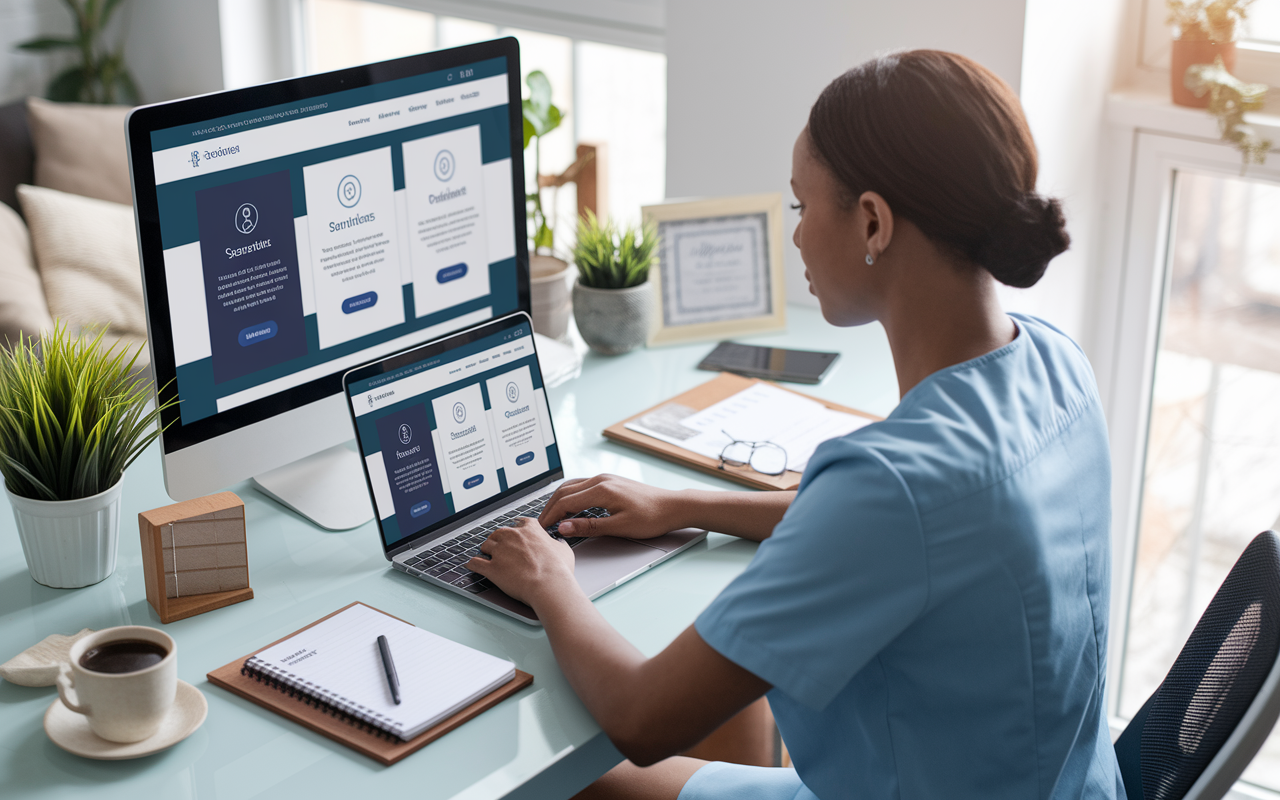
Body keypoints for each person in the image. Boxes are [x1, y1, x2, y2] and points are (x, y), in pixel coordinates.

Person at [466, 49, 1124, 800]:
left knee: (567, 782)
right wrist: (687, 505)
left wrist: (552, 584)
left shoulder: (891, 486)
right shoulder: (1053, 361)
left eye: (802, 208)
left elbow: (643, 721)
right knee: (735, 705)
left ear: (873, 221)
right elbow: (913, 529)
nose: (798, 235)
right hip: (1061, 783)